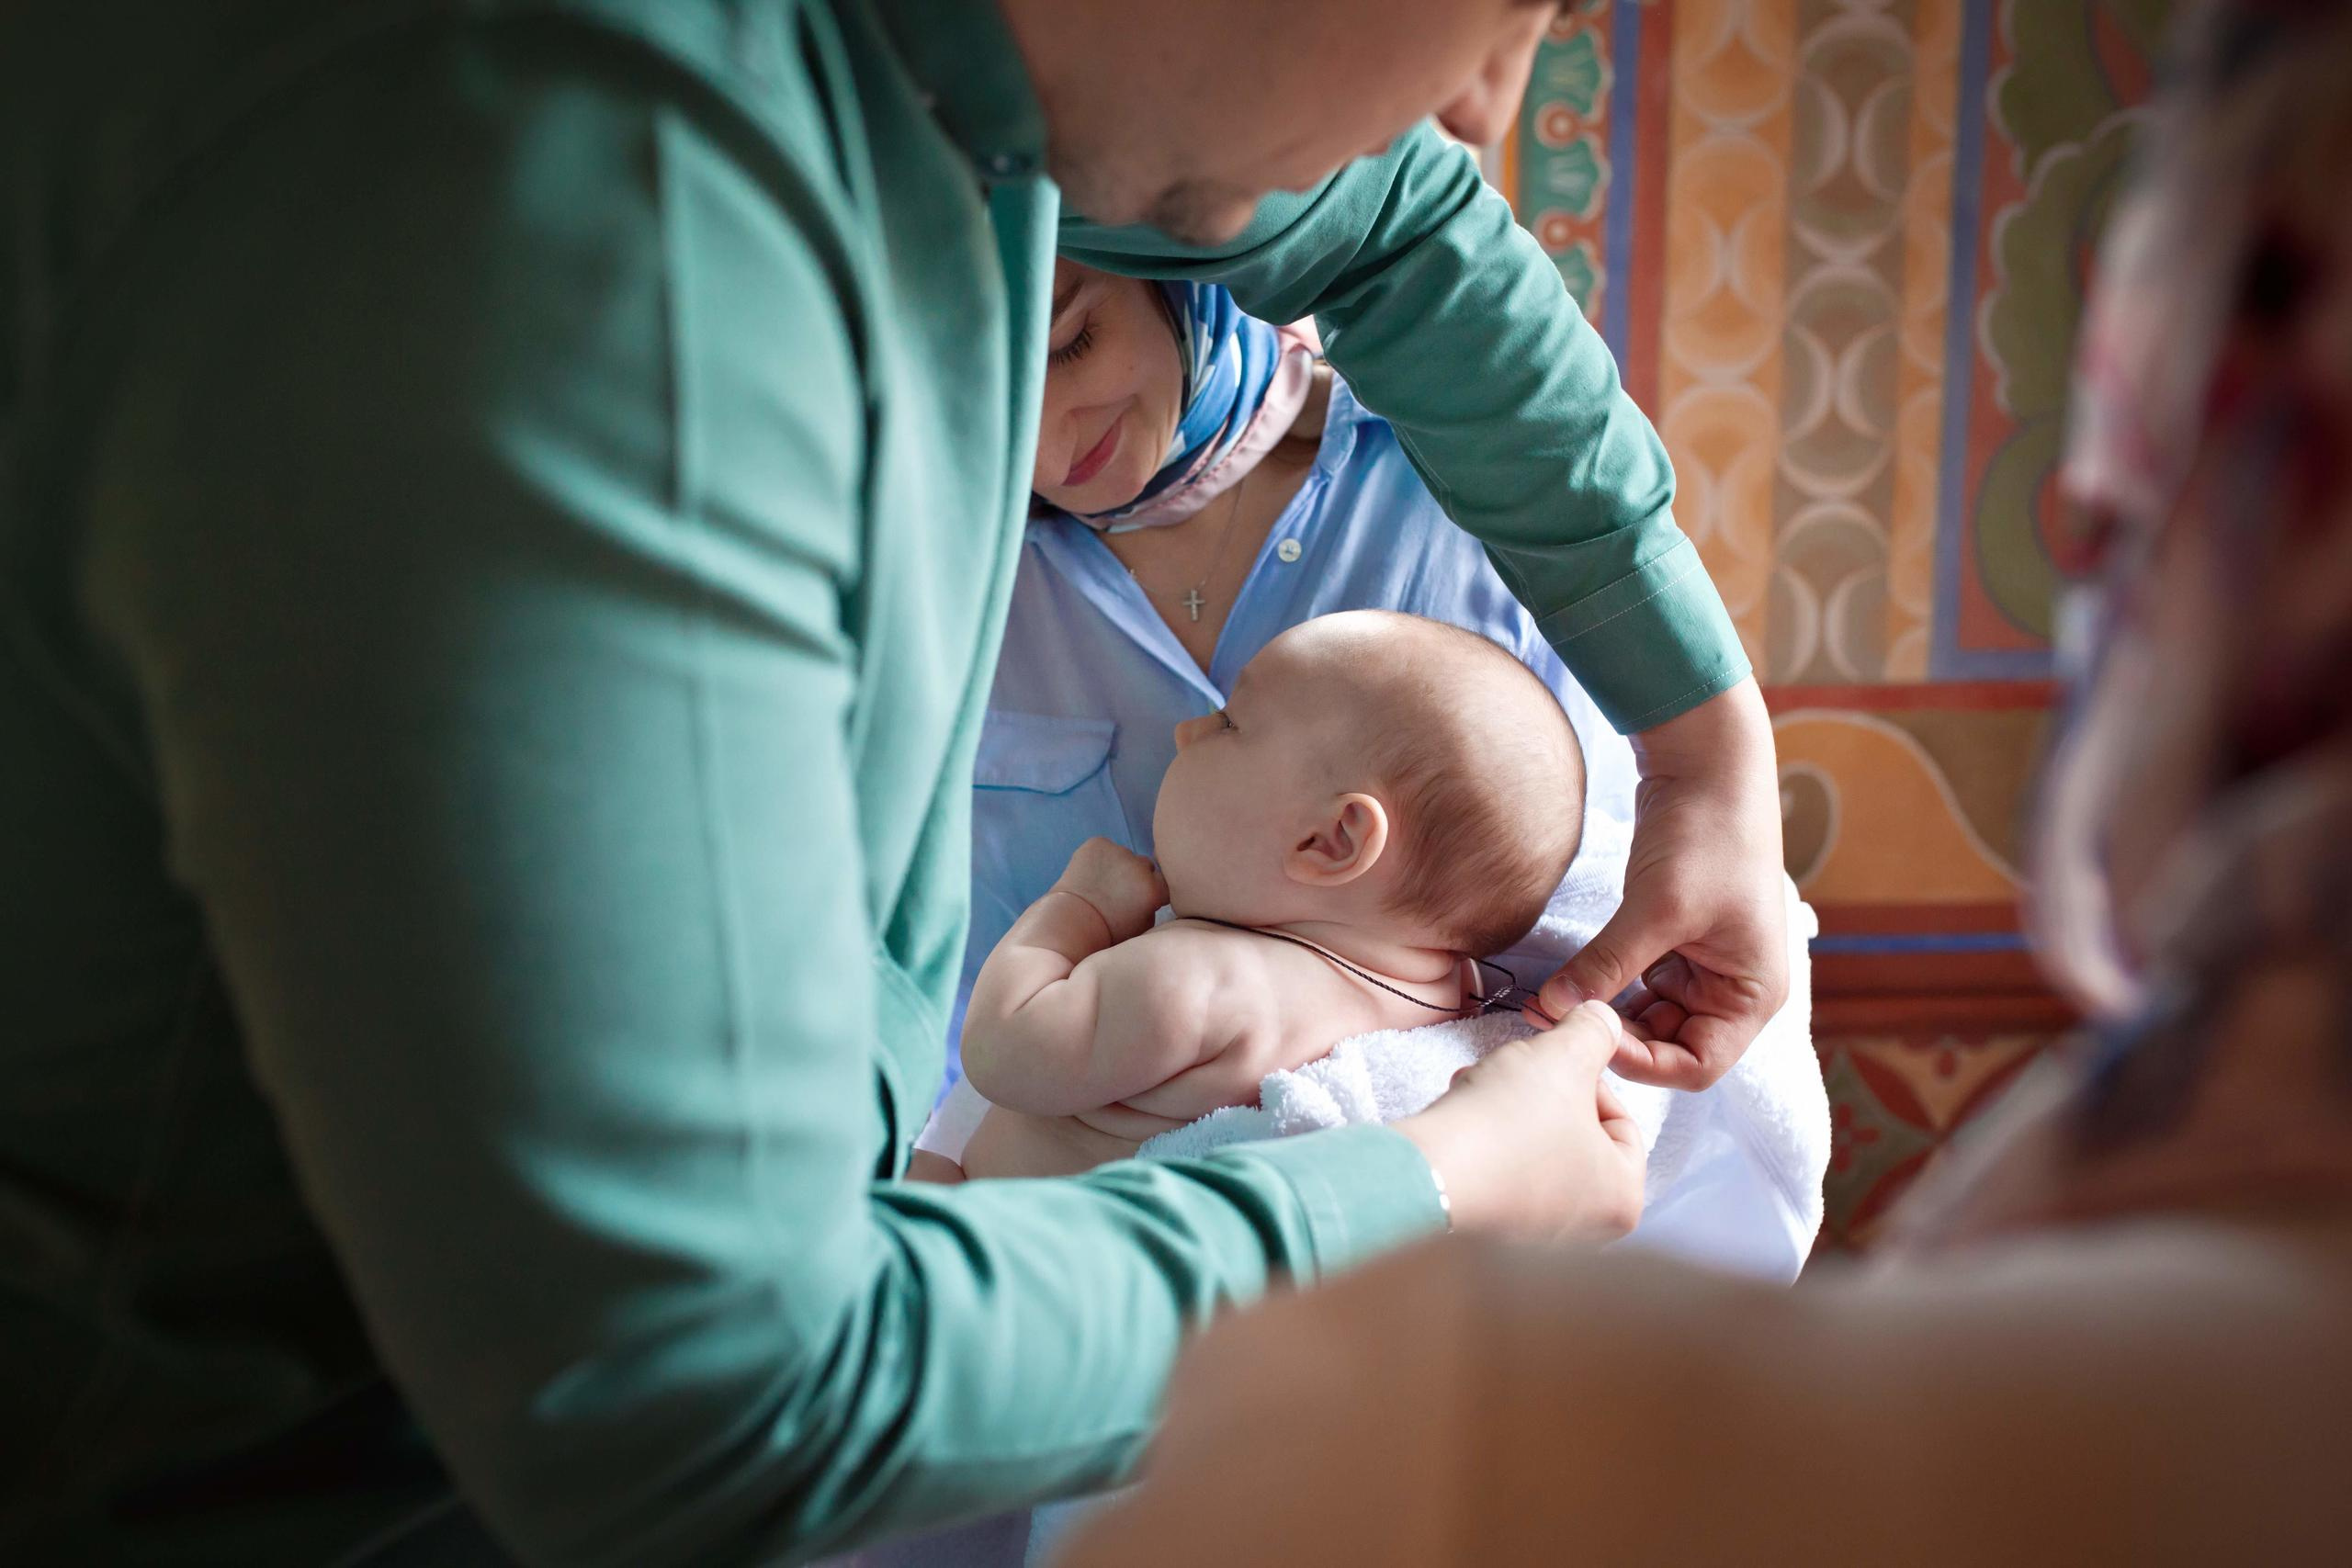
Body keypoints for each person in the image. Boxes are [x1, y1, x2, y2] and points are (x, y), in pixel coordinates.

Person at [2, 3, 1781, 1563]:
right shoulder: (616, 219)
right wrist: (1438, 1186)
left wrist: (1704, 747)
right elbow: (710, 1395)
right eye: (1514, 6)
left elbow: (1410, 240)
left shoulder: (973, 101)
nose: (1484, 103)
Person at [1057, 4, 2352, 1561]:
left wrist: (1446, 1183)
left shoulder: (1465, 1426)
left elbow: (1409, 233)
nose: (1484, 113)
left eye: (2119, 519)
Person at [945, 612, 1603, 1181]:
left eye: (1230, 722)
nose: (1187, 731)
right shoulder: (1448, 993)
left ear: (1331, 841)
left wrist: (1078, 906)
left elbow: (1004, 1050)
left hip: (1013, 1244)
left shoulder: (1201, 978)